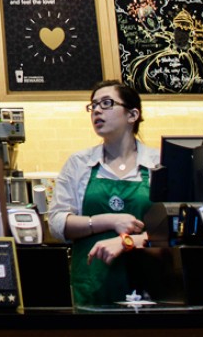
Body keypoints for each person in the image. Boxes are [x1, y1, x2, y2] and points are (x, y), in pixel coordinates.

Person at [48, 80, 160, 307]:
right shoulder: (79, 163)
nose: (97, 110)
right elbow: (57, 223)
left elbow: (178, 228)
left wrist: (128, 241)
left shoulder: (158, 163)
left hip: (152, 287)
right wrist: (109, 220)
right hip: (92, 287)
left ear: (132, 115)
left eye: (107, 103)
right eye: (93, 105)